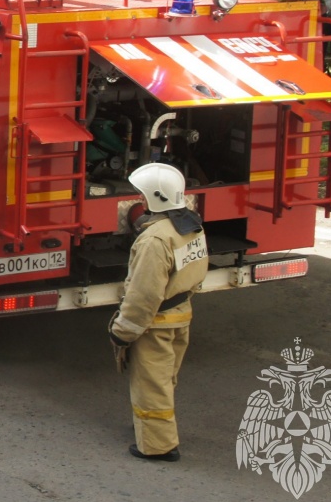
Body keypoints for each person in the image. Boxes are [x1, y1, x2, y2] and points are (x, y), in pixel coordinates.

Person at [108, 163, 208, 463]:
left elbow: (143, 295)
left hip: (155, 324)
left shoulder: (154, 240)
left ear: (154, 198)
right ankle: (154, 429)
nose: (138, 200)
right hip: (180, 314)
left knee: (151, 386)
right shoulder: (190, 226)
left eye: (141, 195)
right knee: (165, 380)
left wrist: (122, 332)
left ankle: (157, 446)